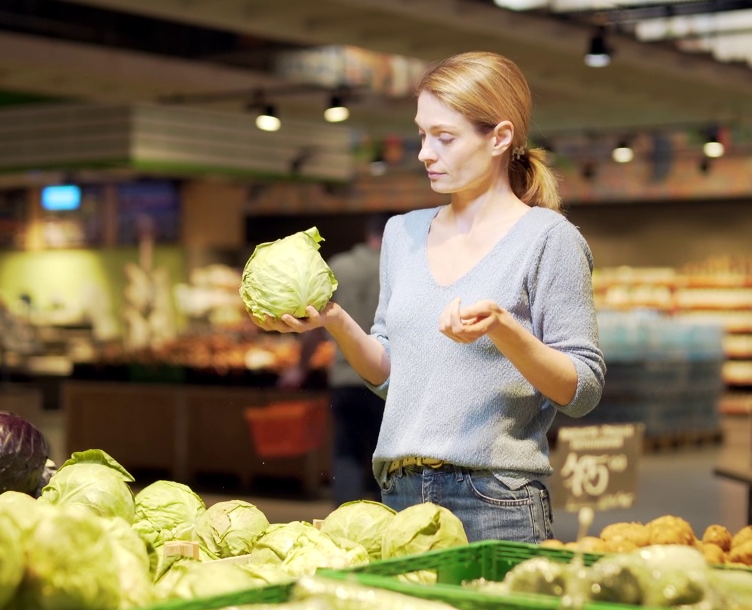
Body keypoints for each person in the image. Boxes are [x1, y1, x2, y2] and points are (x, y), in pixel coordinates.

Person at [254, 51, 605, 543]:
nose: (424, 152)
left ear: (500, 138)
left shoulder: (549, 239)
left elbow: (582, 390)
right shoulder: (403, 234)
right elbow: (389, 375)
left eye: (444, 137)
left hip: (496, 500)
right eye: (422, 134)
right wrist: (333, 319)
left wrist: (503, 328)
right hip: (398, 496)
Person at [280, 215, 388, 505]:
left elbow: (314, 327)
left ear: (369, 232)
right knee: (386, 458)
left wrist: (301, 367)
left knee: (346, 454)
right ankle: (385, 526)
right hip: (388, 380)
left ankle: (344, 522)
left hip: (344, 376)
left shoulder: (340, 267)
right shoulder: (398, 268)